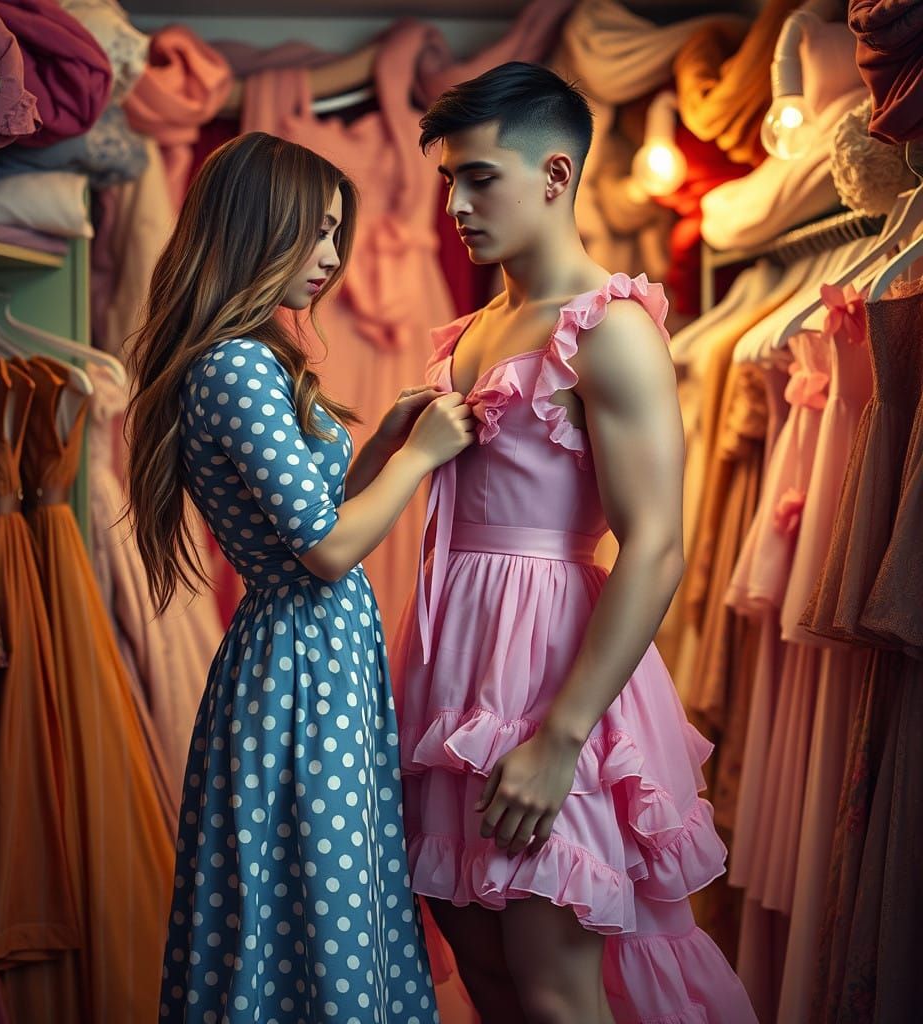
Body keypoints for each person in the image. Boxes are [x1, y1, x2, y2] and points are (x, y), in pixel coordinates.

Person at [390, 63, 758, 1024]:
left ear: (555, 175)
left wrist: (561, 738)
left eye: (479, 178)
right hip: (449, 677)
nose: (456, 205)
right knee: (489, 983)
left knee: (558, 996)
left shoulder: (611, 332)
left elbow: (656, 546)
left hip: (549, 677)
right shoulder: (473, 330)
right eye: (448, 181)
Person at [125, 131, 474, 1023]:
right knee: (321, 904)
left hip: (305, 656)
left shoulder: (241, 358)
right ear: (254, 227)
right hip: (300, 666)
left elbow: (308, 526)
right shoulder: (237, 364)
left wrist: (382, 447)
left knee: (314, 901)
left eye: (333, 232)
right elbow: (322, 551)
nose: (330, 254)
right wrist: (421, 459)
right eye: (314, 229)